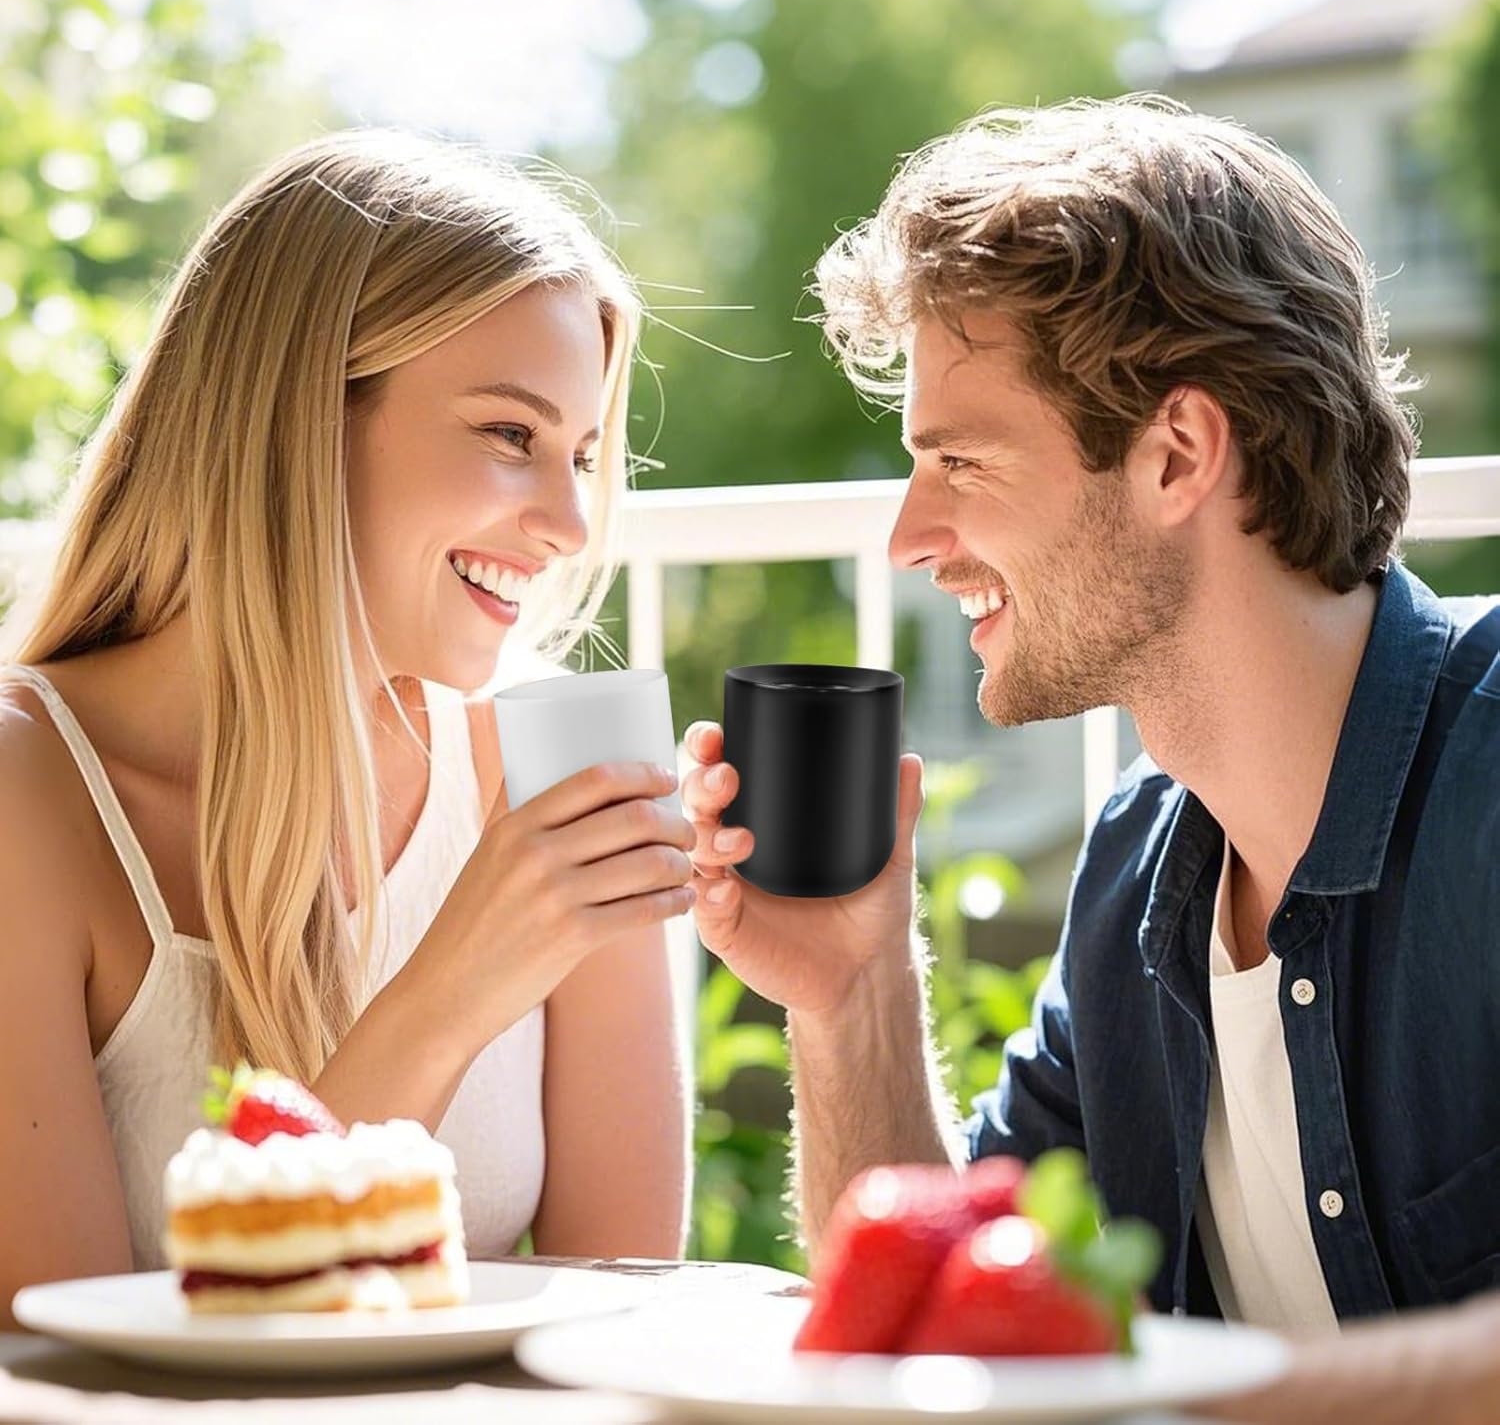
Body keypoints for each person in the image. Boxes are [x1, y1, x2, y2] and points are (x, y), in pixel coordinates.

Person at [684, 96, 1500, 1421]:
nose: (909, 536)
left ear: (1176, 453)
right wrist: (852, 999)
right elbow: (941, 1334)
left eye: (959, 459)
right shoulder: (1138, 883)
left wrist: (1177, 1404)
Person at [0, 129, 699, 1323]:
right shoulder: (32, 798)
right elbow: (58, 1374)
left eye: (581, 455)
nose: (572, 526)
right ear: (295, 425)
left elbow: (623, 1320)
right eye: (508, 435)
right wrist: (445, 1002)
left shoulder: (543, 767)